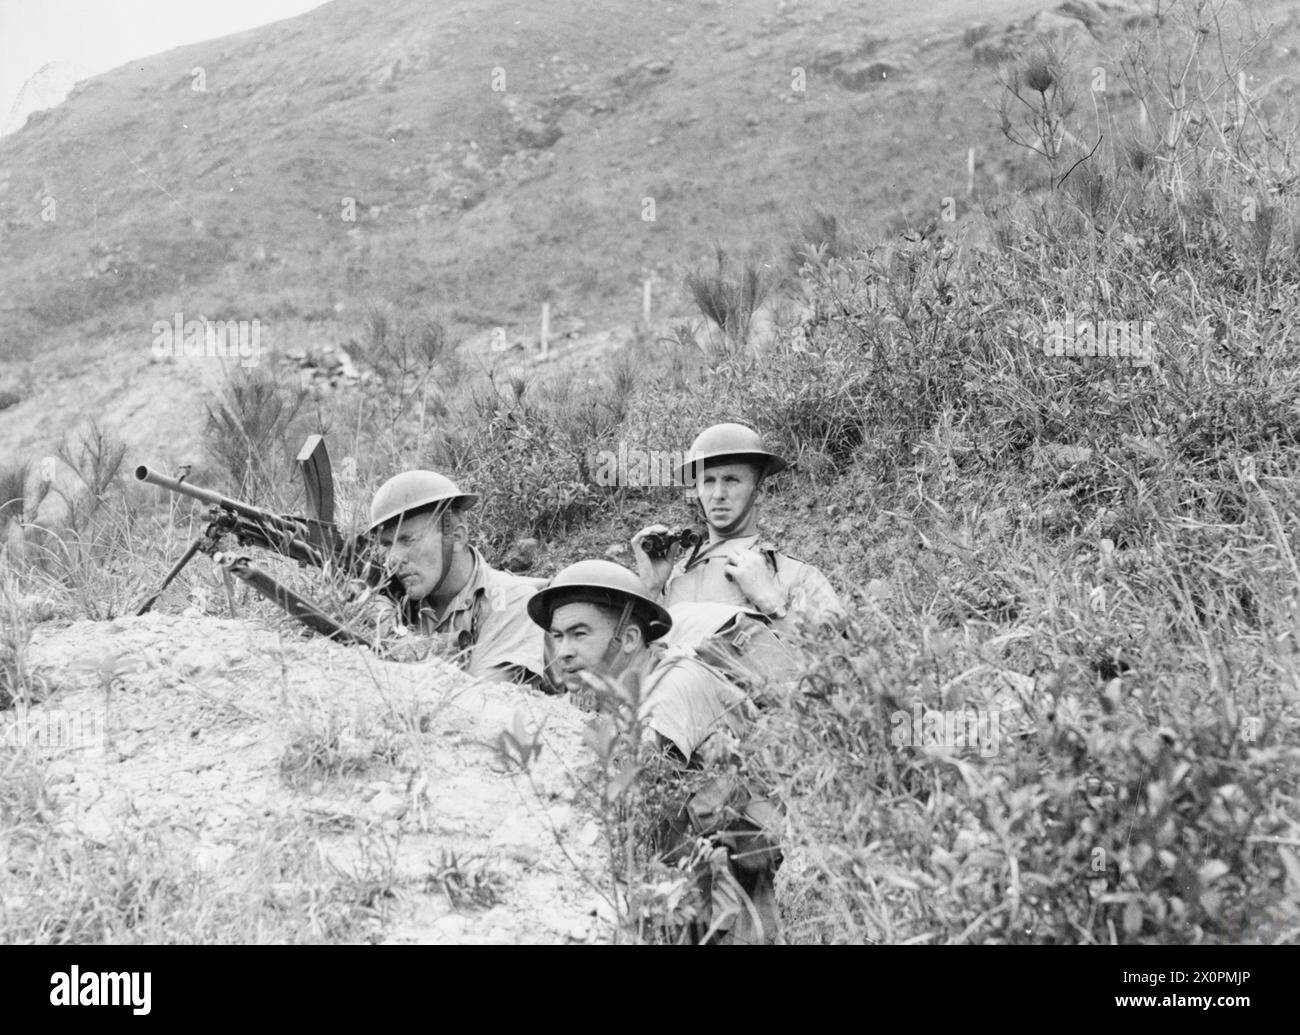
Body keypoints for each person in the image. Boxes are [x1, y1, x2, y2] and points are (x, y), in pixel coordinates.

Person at [526, 559, 782, 944]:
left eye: (579, 634)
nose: (562, 651)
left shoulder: (674, 681)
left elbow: (626, 782)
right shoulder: (613, 695)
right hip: (701, 888)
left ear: (629, 639)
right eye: (558, 636)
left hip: (753, 885)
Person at [632, 422, 844, 660]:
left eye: (732, 480)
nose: (718, 493)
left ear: (760, 492)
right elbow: (630, 667)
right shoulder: (672, 579)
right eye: (708, 481)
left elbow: (839, 666)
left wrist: (772, 603)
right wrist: (649, 590)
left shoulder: (795, 576)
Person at [366, 469, 546, 686]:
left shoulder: (511, 601)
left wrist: (395, 637)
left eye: (409, 540)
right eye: (386, 545)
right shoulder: (395, 598)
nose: (392, 560)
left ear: (457, 537)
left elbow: (484, 703)